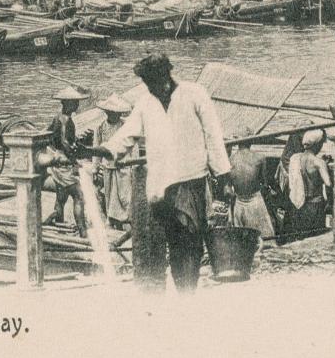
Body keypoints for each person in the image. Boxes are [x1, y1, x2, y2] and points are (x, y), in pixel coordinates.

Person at [90, 54, 232, 292]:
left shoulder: (195, 94)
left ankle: (188, 292)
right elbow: (125, 136)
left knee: (191, 243)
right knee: (173, 242)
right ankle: (180, 290)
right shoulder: (146, 103)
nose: (151, 89)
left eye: (153, 83)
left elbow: (213, 136)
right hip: (159, 187)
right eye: (147, 84)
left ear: (166, 77)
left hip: (190, 181)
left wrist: (223, 177)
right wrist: (100, 150)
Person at [39, 87, 90, 237]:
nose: (76, 105)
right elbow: (64, 142)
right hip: (63, 162)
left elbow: (50, 135)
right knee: (79, 195)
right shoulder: (65, 120)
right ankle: (82, 231)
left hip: (57, 160)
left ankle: (60, 226)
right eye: (74, 103)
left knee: (61, 197)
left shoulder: (58, 117)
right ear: (66, 103)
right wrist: (75, 158)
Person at [93, 95, 134, 229]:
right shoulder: (100, 127)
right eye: (113, 113)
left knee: (124, 194)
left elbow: (133, 146)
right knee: (110, 194)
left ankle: (127, 219)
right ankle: (112, 220)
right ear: (107, 112)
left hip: (123, 164)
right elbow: (96, 148)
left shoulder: (126, 125)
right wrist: (95, 168)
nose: (116, 115)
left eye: (118, 113)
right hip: (108, 165)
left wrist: (133, 164)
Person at [229, 142, 276, 243]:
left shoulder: (230, 159)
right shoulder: (259, 157)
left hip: (243, 200)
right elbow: (264, 184)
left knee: (242, 240)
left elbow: (229, 186)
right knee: (264, 238)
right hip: (251, 201)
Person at [287, 129, 331, 238]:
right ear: (317, 144)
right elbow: (328, 183)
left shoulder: (295, 159)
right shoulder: (318, 162)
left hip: (300, 204)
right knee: (316, 238)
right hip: (315, 205)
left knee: (302, 237)